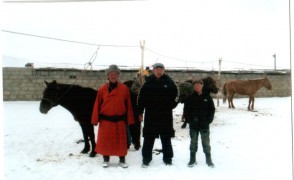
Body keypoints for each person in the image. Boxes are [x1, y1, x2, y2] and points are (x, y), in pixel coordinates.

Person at [91, 64, 134, 168]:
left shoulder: (124, 89)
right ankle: (106, 160)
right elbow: (97, 104)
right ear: (108, 76)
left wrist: (129, 119)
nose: (113, 76)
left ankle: (122, 160)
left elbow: (128, 105)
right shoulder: (102, 89)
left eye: (115, 74)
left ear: (118, 75)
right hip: (106, 121)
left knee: (121, 141)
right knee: (106, 141)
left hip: (119, 121)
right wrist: (95, 120)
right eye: (111, 74)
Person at [138, 62, 178, 168]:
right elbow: (141, 99)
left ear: (163, 70)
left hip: (165, 115)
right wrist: (140, 112)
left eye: (161, 69)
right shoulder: (148, 83)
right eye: (157, 69)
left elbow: (175, 96)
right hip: (151, 115)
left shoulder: (169, 82)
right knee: (148, 138)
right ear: (153, 70)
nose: (159, 71)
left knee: (166, 138)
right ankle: (146, 159)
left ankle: (168, 158)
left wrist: (172, 105)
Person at [183, 79, 215, 168]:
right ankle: (192, 160)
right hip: (193, 125)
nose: (197, 86)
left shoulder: (207, 97)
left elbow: (212, 110)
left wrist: (209, 120)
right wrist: (189, 120)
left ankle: (209, 160)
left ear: (202, 86)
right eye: (195, 85)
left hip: (204, 125)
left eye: (199, 84)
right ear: (193, 86)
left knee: (206, 143)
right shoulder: (189, 97)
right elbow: (186, 110)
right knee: (193, 142)